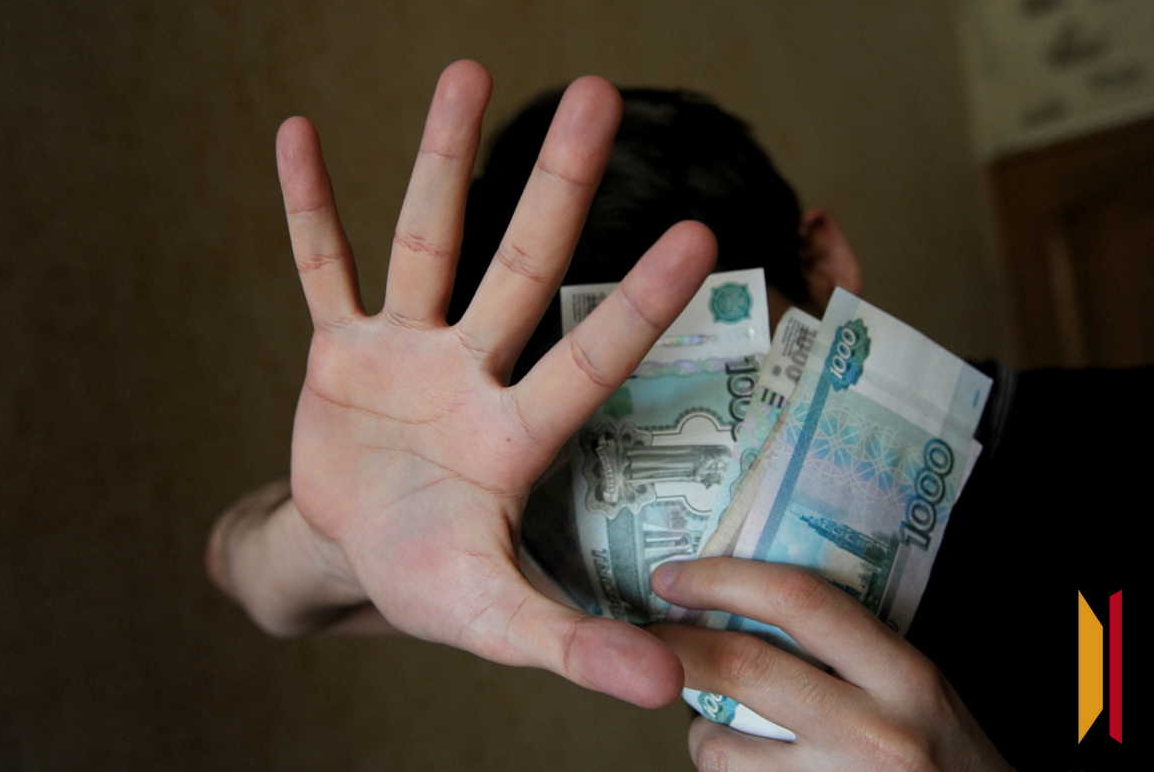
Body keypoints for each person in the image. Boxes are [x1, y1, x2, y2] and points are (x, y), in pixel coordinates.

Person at [206, 60, 1018, 770]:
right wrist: (326, 546)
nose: (718, 512)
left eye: (735, 400)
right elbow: (242, 572)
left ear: (821, 266)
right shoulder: (560, 530)